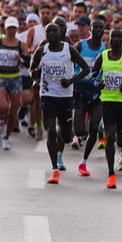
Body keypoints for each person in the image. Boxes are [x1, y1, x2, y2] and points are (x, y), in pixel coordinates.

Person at [30, 23, 90, 184]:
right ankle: (55, 169)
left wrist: (71, 81)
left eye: (53, 31)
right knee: (50, 130)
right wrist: (35, 75)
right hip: (47, 95)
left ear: (59, 33)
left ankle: (64, 135)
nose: (50, 33)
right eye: (48, 31)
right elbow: (32, 70)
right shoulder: (42, 51)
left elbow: (85, 69)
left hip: (65, 96)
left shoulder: (68, 49)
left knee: (65, 135)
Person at [93, 28, 122, 189]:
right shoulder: (102, 56)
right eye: (114, 37)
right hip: (108, 101)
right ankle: (111, 173)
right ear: (109, 39)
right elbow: (93, 74)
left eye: (120, 37)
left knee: (121, 136)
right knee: (110, 135)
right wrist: (97, 83)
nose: (117, 39)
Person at [73, 19, 106, 176]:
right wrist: (72, 82)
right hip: (80, 91)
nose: (98, 30)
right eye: (96, 27)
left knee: (94, 127)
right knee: (79, 130)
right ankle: (81, 129)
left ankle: (84, 161)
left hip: (96, 93)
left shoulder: (105, 50)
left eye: (101, 27)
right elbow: (69, 63)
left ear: (104, 31)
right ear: (91, 29)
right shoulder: (80, 46)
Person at [0, 16, 32, 149]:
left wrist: (20, 59)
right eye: (9, 28)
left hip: (15, 78)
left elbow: (28, 63)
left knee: (13, 111)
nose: (11, 30)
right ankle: (0, 120)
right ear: (5, 28)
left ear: (16, 29)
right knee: (3, 107)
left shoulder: (21, 44)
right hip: (1, 77)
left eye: (13, 28)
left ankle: (6, 137)